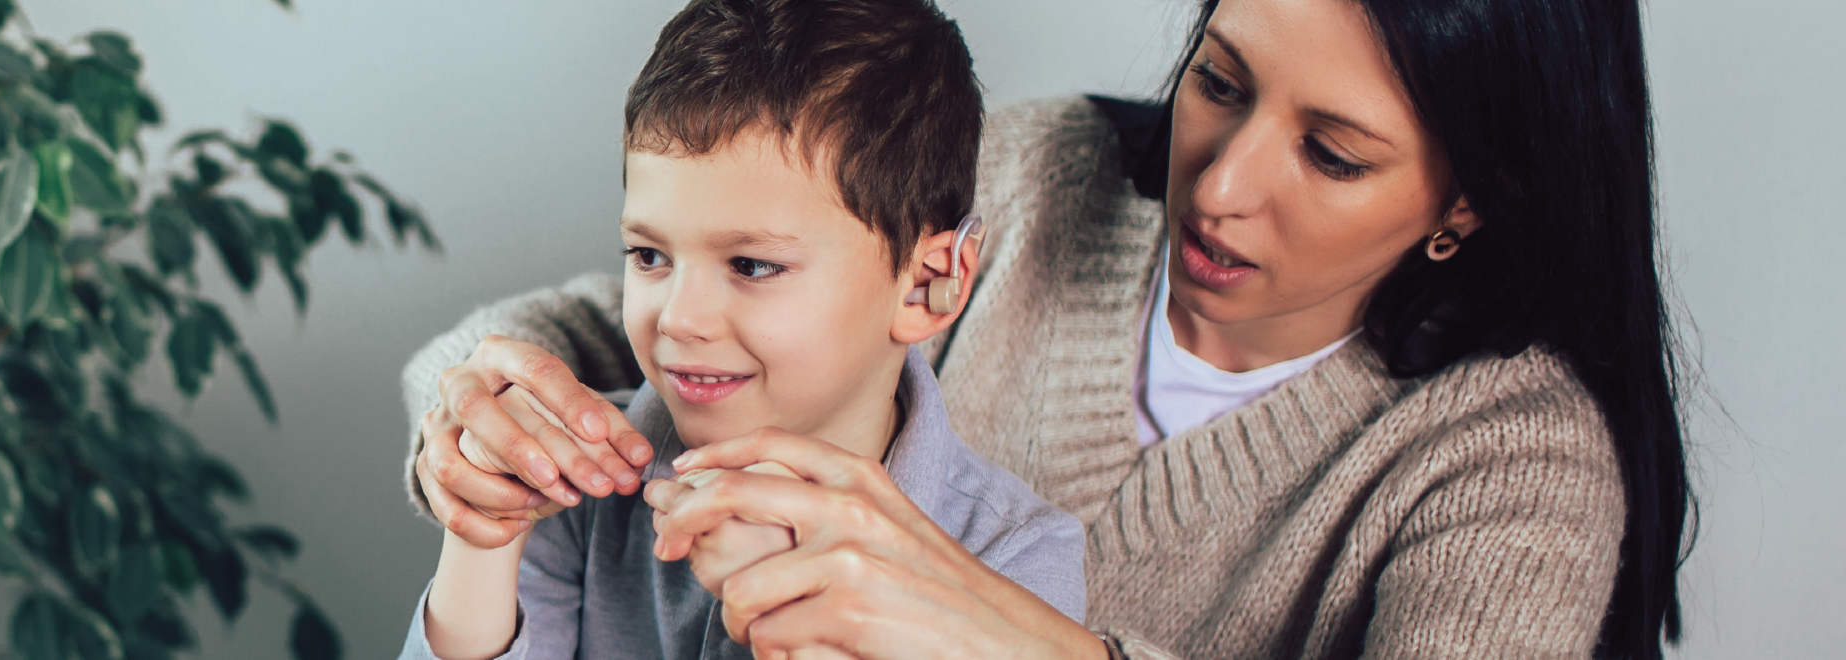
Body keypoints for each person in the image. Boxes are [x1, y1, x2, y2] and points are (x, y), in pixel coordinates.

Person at [400, 0, 1689, 657]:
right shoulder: (1040, 171)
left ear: (1466, 199)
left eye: (1332, 154)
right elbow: (624, 325)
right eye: (1219, 81)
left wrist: (1007, 638)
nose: (1221, 182)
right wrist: (482, 411)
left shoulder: (1510, 460)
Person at [400, 1, 1083, 658]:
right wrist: (484, 532)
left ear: (928, 285)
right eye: (649, 256)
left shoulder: (1015, 560)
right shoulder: (570, 486)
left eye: (752, 265)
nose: (680, 320)